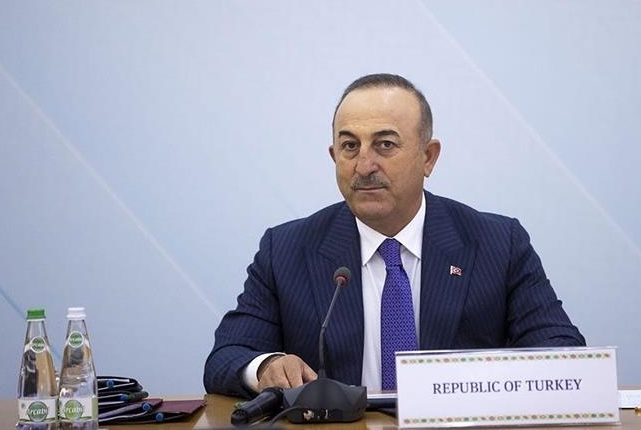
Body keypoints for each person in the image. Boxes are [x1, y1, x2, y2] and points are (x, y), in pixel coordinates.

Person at [204, 73, 584, 399]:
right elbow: (227, 357)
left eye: (385, 144)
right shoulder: (287, 249)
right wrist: (266, 366)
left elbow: (562, 352)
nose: (364, 165)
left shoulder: (497, 243)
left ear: (428, 157)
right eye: (350, 146)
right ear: (334, 156)